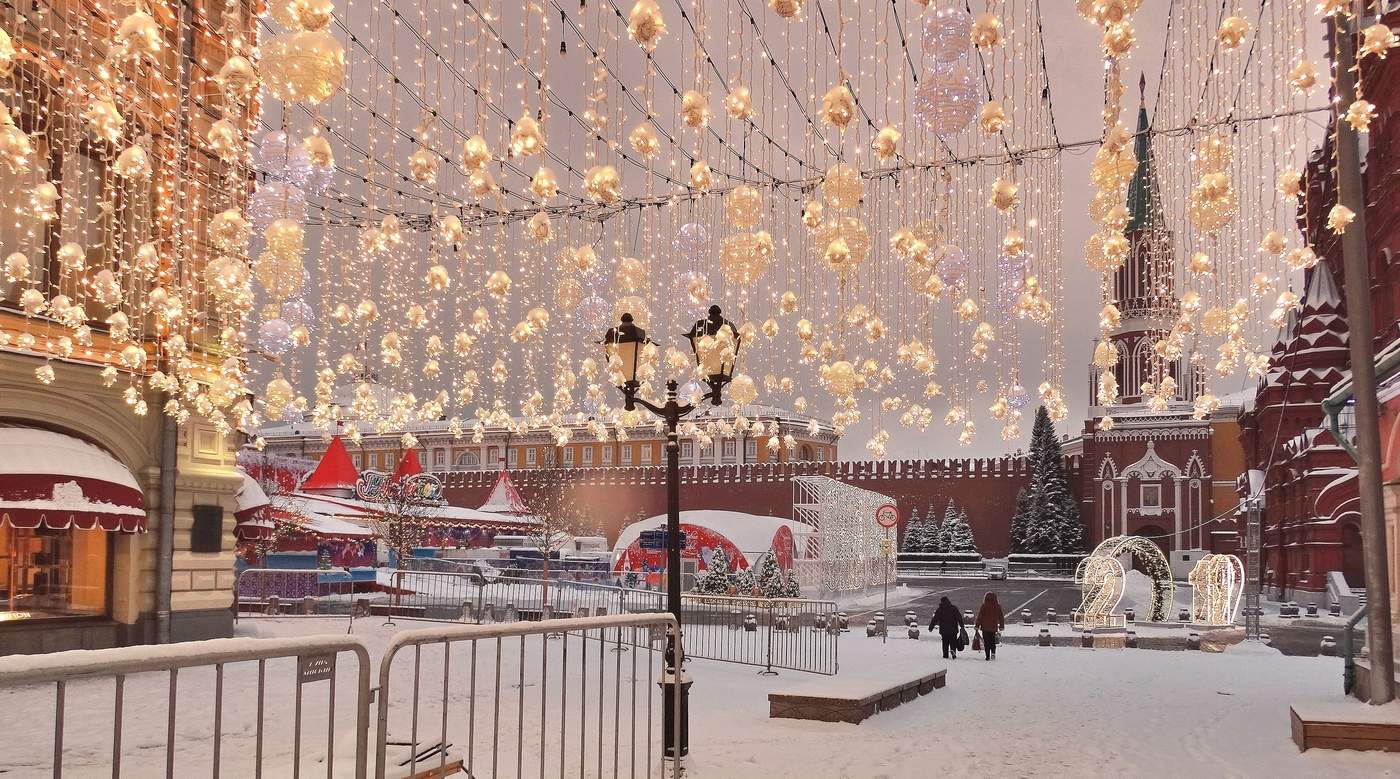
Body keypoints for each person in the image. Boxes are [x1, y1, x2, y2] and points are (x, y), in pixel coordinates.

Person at [975, 592, 1006, 660]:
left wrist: (977, 625)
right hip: (993, 627)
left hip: (985, 627)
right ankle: (993, 653)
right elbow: (1001, 617)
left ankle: (987, 656)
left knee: (986, 642)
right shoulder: (997, 606)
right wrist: (1001, 626)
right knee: (992, 641)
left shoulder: (984, 605)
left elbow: (980, 616)